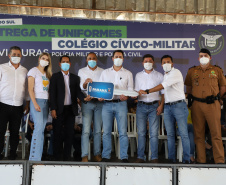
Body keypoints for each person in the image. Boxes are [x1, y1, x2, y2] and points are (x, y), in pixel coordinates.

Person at [139, 55, 190, 163]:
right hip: (167, 107)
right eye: (164, 62)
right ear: (161, 65)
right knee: (170, 134)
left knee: (183, 133)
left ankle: (186, 160)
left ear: (172, 64)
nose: (166, 64)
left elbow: (163, 86)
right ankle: (171, 159)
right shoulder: (165, 75)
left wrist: (148, 91)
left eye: (168, 62)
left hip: (179, 106)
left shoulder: (176, 72)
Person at [185, 48, 226, 164]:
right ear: (198, 58)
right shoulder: (192, 71)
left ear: (210, 57)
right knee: (198, 134)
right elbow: (188, 87)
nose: (203, 57)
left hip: (213, 104)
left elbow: (223, 87)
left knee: (216, 133)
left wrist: (217, 98)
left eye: (205, 55)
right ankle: (201, 160)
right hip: (197, 105)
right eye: (201, 56)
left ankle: (219, 160)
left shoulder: (217, 70)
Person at [49, 55, 91, 161]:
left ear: (70, 64)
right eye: (63, 62)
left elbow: (78, 92)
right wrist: (53, 109)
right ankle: (57, 158)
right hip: (58, 110)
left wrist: (84, 99)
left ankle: (67, 158)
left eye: (67, 62)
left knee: (69, 135)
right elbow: (52, 94)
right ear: (59, 64)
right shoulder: (55, 76)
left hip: (70, 110)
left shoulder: (75, 78)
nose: (65, 63)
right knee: (57, 134)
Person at [99, 50, 133, 163]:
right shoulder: (105, 73)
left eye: (120, 56)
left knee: (123, 132)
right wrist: (100, 96)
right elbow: (101, 88)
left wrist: (127, 96)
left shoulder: (128, 73)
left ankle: (124, 156)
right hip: (107, 104)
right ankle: (106, 156)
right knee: (106, 132)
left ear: (123, 59)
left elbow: (130, 90)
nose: (118, 58)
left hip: (121, 104)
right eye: (116, 56)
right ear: (112, 58)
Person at [0, 46, 29, 160]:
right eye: (14, 54)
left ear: (21, 56)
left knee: (15, 132)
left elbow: (26, 89)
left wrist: (27, 103)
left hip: (18, 105)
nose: (16, 56)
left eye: (18, 54)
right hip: (2, 104)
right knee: (0, 130)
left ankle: (13, 154)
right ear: (9, 55)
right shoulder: (2, 68)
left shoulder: (25, 70)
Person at [134, 54, 164, 163]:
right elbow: (136, 91)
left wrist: (161, 105)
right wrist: (135, 94)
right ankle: (140, 157)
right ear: (142, 63)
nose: (148, 63)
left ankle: (154, 157)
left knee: (154, 133)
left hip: (154, 106)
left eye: (150, 61)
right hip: (141, 105)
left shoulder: (160, 75)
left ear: (153, 62)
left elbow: (163, 92)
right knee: (141, 132)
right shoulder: (138, 75)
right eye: (146, 61)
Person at [78, 52, 104, 162]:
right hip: (87, 103)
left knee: (98, 130)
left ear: (97, 60)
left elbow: (105, 88)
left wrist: (102, 96)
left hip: (99, 103)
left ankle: (97, 154)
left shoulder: (103, 71)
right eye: (89, 58)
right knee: (86, 130)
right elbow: (81, 87)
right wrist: (85, 84)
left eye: (94, 58)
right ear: (86, 60)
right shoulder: (82, 71)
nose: (92, 60)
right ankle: (84, 155)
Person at [28, 52, 52, 161]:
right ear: (39, 59)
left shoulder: (48, 74)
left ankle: (39, 157)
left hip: (46, 102)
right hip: (36, 101)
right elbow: (30, 89)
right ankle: (33, 158)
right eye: (43, 58)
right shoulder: (33, 71)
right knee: (38, 129)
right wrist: (35, 103)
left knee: (41, 130)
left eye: (47, 59)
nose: (45, 60)